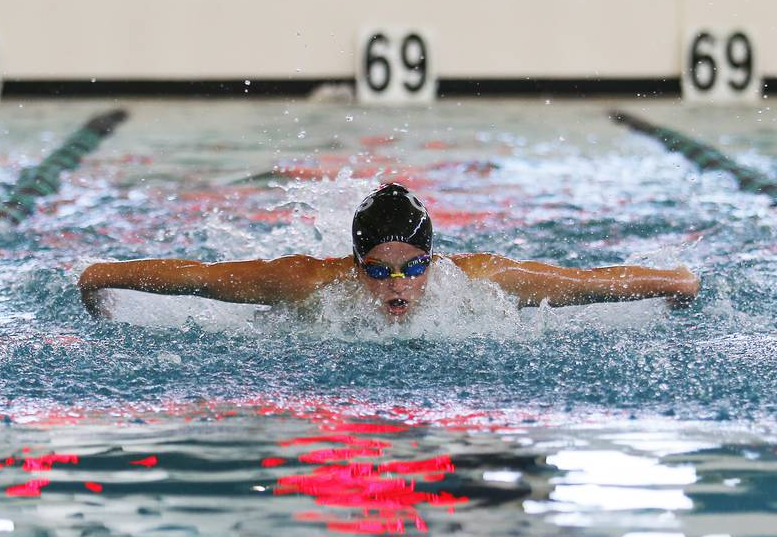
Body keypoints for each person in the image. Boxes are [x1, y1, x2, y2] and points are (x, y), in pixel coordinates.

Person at [78, 183, 700, 320]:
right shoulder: (307, 283)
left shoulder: (479, 280)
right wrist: (104, 274)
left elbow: (582, 282)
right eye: (378, 270)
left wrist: (673, 281)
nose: (396, 286)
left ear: (436, 260)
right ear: (355, 266)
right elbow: (201, 279)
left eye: (413, 267)